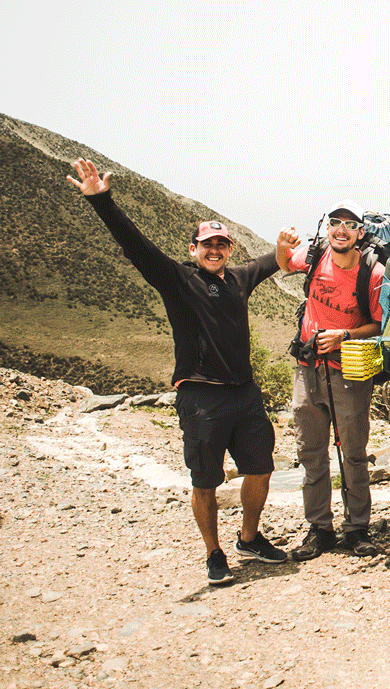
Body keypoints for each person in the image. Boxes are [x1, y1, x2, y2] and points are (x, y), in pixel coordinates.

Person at [67, 158, 288, 585]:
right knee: (205, 478)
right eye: (207, 244)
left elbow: (273, 261)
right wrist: (102, 201)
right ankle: (214, 553)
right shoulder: (177, 279)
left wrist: (289, 249)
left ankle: (248, 537)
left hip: (244, 393)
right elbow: (136, 246)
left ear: (228, 249)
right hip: (201, 396)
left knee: (260, 468)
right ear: (193, 249)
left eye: (221, 244)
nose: (214, 250)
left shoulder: (239, 278)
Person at [276, 200, 385, 561]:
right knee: (310, 451)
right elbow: (284, 263)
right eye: (336, 222)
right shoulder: (314, 253)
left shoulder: (373, 271)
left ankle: (357, 529)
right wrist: (281, 246)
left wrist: (345, 335)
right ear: (327, 227)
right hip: (307, 366)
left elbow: (379, 325)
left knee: (352, 452)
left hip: (348, 370)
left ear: (361, 233)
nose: (341, 229)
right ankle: (319, 529)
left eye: (350, 224)